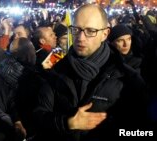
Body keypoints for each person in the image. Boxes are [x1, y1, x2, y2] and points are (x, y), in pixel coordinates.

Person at [33, 4, 148, 141]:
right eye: (76, 29)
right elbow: (38, 116)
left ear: (104, 34)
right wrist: (68, 123)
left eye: (90, 31)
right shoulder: (56, 71)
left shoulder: (128, 78)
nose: (81, 37)